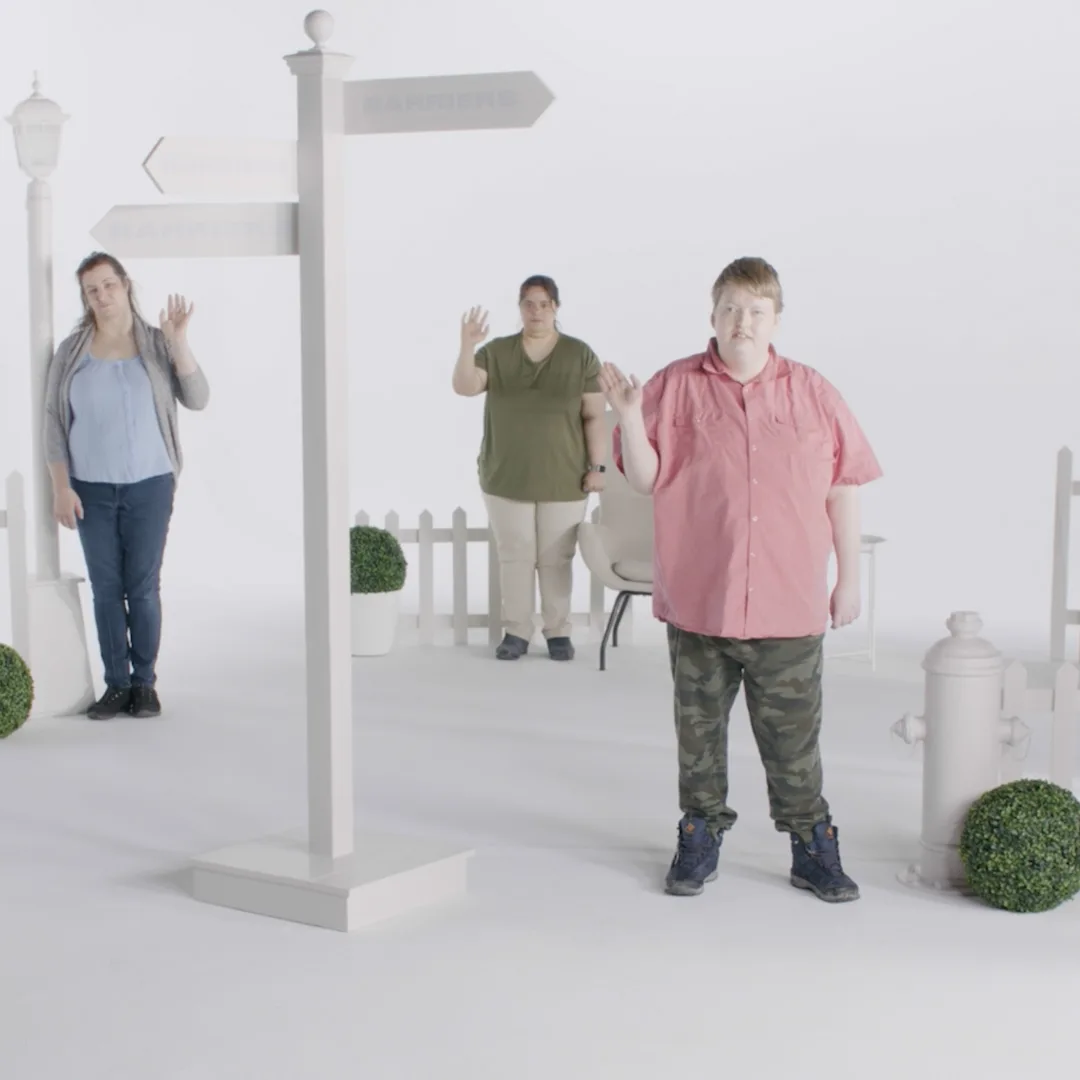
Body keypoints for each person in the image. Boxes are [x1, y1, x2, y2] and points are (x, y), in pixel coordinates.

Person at [603, 256, 882, 902]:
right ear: (713, 315)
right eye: (730, 308)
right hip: (703, 601)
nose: (742, 321)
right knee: (698, 736)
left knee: (794, 741)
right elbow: (644, 479)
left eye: (756, 310)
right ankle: (699, 835)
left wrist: (848, 580)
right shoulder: (673, 387)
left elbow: (842, 490)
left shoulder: (814, 393)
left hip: (789, 605)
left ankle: (812, 845)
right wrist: (626, 413)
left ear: (776, 318)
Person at [43, 251, 210, 721]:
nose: (102, 295)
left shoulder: (156, 343)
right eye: (92, 289)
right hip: (90, 490)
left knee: (142, 589)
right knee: (105, 589)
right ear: (85, 297)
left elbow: (197, 399)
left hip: (149, 487)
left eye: (108, 285)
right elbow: (54, 423)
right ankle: (115, 685)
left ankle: (145, 685)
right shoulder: (71, 351)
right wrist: (61, 486)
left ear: (125, 285)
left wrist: (178, 341)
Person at [452, 275, 607, 661]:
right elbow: (466, 386)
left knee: (557, 558)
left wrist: (598, 466)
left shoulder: (580, 354)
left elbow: (594, 415)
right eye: (528, 303)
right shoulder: (498, 351)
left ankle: (557, 632)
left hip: (565, 477)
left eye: (544, 303)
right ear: (519, 308)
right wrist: (467, 346)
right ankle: (516, 632)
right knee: (515, 555)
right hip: (506, 476)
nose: (536, 310)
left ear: (556, 307)